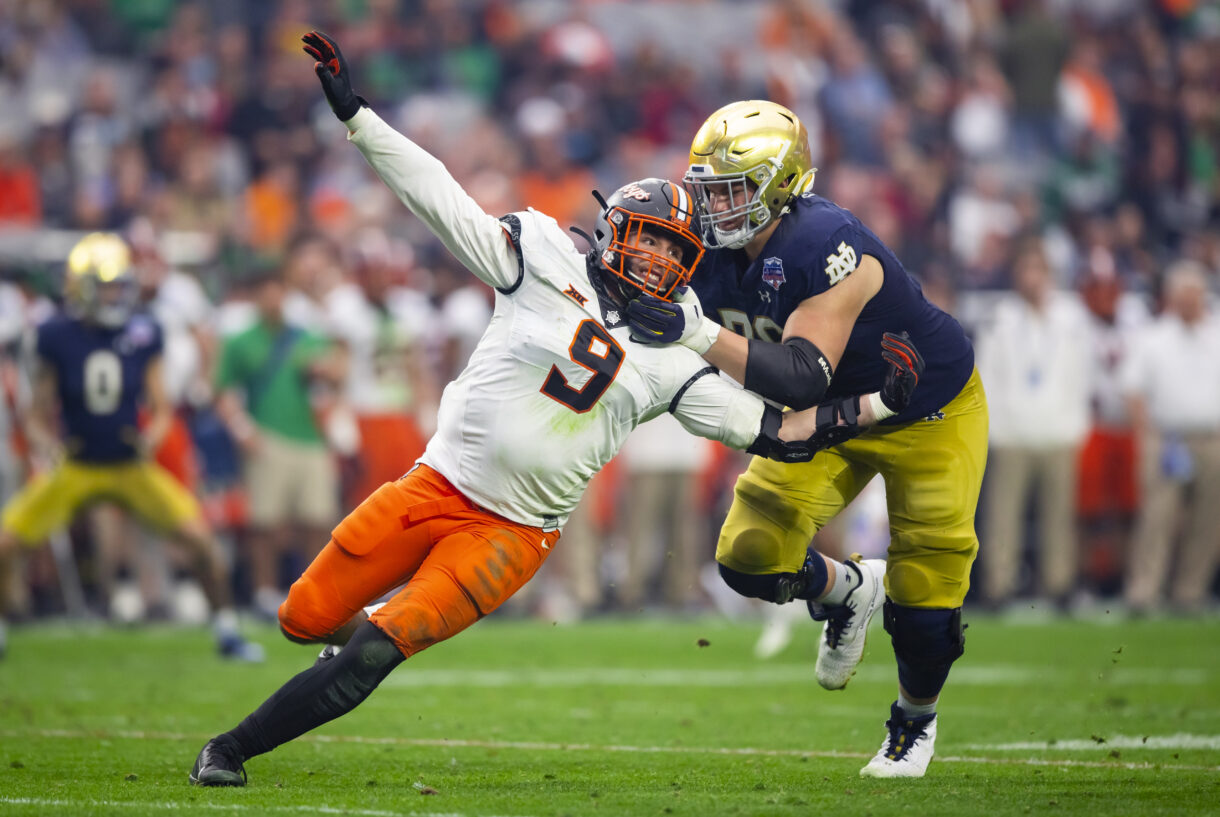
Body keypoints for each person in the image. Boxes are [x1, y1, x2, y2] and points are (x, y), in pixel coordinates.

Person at [186, 32, 925, 787]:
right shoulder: (539, 255)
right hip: (434, 481)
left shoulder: (675, 350)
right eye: (649, 244)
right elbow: (439, 198)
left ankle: (231, 749)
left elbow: (773, 432)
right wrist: (358, 116)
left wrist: (872, 405)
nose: (657, 264)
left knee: (383, 643)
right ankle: (336, 655)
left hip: (511, 533)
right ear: (611, 231)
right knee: (302, 616)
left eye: (675, 255)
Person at [626, 100, 987, 778]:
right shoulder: (709, 248)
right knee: (748, 558)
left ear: (781, 186)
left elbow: (796, 376)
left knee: (927, 598)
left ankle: (913, 723)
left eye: (732, 190)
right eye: (707, 189)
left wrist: (693, 330)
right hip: (827, 414)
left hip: (924, 407)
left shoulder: (822, 242)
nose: (714, 207)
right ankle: (847, 590)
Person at [0, 233, 263, 662]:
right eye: (104, 286)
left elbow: (160, 405)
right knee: (7, 545)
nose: (114, 295)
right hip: (77, 464)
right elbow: (36, 411)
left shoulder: (144, 330)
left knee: (201, 543)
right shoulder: (55, 334)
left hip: (128, 463)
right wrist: (45, 442)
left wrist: (153, 435)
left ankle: (227, 630)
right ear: (79, 287)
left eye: (118, 285)